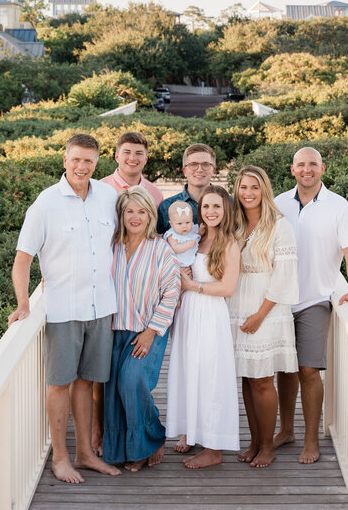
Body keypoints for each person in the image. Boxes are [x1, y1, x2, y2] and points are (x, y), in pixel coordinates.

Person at [8, 133, 122, 484]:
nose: (82, 166)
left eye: (88, 160)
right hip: (62, 310)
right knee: (60, 384)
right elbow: (23, 259)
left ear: (96, 162)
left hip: (101, 307)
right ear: (65, 160)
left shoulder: (108, 196)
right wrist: (24, 303)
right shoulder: (45, 204)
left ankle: (85, 453)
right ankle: (60, 458)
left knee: (88, 383)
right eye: (76, 159)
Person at [274, 147, 348, 465]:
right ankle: (286, 430)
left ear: (322, 168)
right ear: (292, 170)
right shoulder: (279, 203)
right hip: (279, 298)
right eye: (301, 165)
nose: (307, 169)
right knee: (284, 370)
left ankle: (311, 440)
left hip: (315, 299)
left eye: (312, 164)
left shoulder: (339, 207)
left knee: (308, 369)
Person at [103, 186, 181, 471]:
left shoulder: (161, 249)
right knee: (114, 391)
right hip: (114, 331)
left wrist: (151, 332)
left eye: (142, 211)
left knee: (132, 382)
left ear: (150, 215)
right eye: (129, 211)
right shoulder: (110, 247)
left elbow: (172, 292)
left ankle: (152, 438)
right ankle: (124, 450)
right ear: (121, 215)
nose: (135, 217)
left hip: (148, 331)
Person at [166, 185, 242, 469]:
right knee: (188, 371)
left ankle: (213, 447)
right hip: (188, 314)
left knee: (210, 376)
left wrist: (191, 284)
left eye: (217, 207)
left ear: (226, 211)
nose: (211, 212)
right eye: (206, 207)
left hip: (210, 315)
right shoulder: (193, 238)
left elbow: (228, 288)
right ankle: (191, 430)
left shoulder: (229, 244)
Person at [230, 165, 299, 468]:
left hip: (267, 307)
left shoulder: (279, 225)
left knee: (262, 380)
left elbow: (284, 277)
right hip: (237, 304)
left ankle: (268, 446)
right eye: (243, 187)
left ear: (264, 190)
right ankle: (255, 440)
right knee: (247, 377)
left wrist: (260, 315)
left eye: (254, 188)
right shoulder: (233, 222)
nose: (248, 193)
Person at [156, 144, 217, 234]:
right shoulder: (166, 207)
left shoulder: (228, 203)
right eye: (193, 165)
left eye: (205, 164)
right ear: (184, 171)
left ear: (213, 170)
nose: (199, 169)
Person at [101, 131, 165, 208]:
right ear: (117, 157)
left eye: (138, 153)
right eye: (127, 152)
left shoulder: (156, 194)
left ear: (146, 159)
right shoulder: (99, 189)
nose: (132, 158)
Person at [163, 200, 200, 267]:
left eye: (188, 222)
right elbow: (175, 248)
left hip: (192, 263)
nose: (184, 226)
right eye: (179, 223)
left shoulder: (192, 229)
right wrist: (187, 245)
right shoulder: (172, 235)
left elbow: (198, 235)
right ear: (171, 224)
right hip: (179, 264)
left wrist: (201, 231)